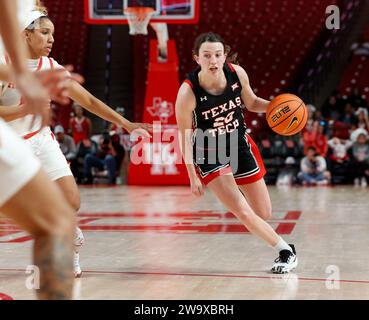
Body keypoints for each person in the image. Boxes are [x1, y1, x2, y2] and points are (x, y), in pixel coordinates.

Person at [0, 3, 151, 277]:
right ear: (26, 34)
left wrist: (126, 124)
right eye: (45, 33)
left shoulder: (51, 67)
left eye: (53, 34)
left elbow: (89, 100)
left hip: (40, 138)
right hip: (9, 144)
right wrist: (24, 109)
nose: (51, 39)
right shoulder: (4, 64)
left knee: (72, 201)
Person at [175, 32, 298, 274]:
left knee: (263, 213)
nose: (213, 60)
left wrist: (278, 107)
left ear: (224, 56)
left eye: (218, 55)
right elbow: (184, 136)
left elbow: (251, 103)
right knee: (241, 210)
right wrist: (191, 174)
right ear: (196, 58)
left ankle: (281, 243)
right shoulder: (188, 93)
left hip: (238, 143)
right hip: (208, 150)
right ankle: (286, 252)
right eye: (207, 55)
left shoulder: (237, 73)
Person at [0, 0, 80, 299]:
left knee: (59, 218)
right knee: (56, 221)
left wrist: (25, 77)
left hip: (29, 137)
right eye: (44, 32)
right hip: (15, 132)